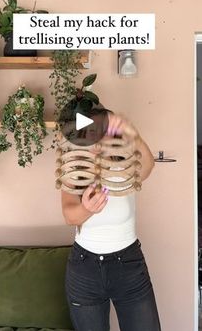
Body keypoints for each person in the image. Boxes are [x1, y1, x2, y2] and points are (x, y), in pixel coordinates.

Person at [62, 113, 161, 331]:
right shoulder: (74, 173)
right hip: (84, 269)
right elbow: (70, 216)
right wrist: (87, 208)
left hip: (128, 265)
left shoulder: (124, 169)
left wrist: (134, 135)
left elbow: (149, 165)